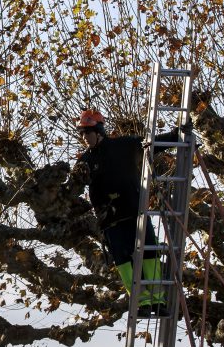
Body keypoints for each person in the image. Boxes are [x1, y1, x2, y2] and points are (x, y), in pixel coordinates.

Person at [75, 109, 189, 318]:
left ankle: (157, 300)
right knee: (122, 259)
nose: (84, 138)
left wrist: (177, 135)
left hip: (134, 210)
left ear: (99, 131)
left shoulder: (124, 146)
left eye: (87, 132)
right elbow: (73, 187)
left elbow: (152, 144)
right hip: (110, 219)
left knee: (149, 253)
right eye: (81, 134)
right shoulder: (85, 161)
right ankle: (141, 301)